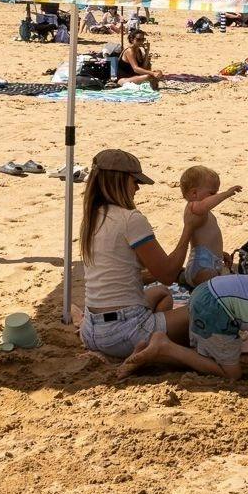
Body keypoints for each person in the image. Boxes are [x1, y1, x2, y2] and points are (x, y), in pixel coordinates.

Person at [76, 149, 196, 367]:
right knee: (208, 311)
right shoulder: (130, 220)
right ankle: (153, 343)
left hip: (91, 329)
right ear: (119, 182)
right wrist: (188, 228)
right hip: (123, 331)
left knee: (161, 293)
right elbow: (167, 274)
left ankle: (152, 336)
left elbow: (117, 274)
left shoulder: (92, 218)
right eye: (135, 181)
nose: (137, 188)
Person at [178, 166, 242, 280]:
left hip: (211, 260)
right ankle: (186, 278)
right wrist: (226, 194)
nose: (215, 196)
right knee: (213, 281)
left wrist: (220, 253)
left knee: (217, 281)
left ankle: (185, 279)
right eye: (212, 193)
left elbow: (208, 241)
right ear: (194, 193)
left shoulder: (206, 213)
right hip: (201, 264)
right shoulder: (193, 207)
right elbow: (204, 205)